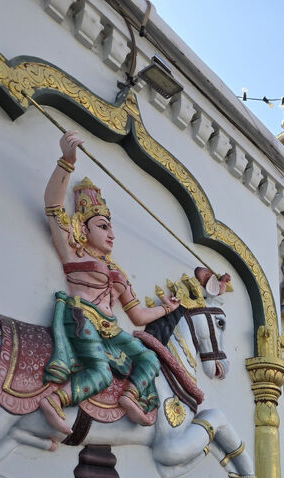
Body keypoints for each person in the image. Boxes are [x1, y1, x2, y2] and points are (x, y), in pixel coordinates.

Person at [41, 131, 180, 435]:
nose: (111, 234)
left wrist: (165, 309)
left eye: (111, 227)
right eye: (103, 226)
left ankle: (130, 397)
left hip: (111, 328)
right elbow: (53, 205)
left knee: (148, 358)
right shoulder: (72, 249)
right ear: (82, 227)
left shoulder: (115, 270)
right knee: (100, 374)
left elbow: (138, 316)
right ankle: (56, 400)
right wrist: (67, 161)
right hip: (81, 318)